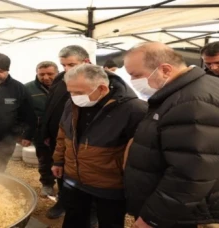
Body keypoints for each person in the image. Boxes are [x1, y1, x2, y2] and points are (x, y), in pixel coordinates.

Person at [124, 42, 219, 228]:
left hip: (181, 213)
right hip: (184, 208)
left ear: (165, 70)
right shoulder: (185, 91)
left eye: (136, 75)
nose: (133, 82)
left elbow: (190, 173)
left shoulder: (190, 102)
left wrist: (153, 217)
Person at [52, 64, 147, 228]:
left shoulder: (134, 109)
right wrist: (58, 161)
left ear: (102, 88)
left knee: (109, 221)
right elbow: (63, 133)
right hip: (74, 177)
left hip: (109, 184)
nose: (73, 96)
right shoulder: (72, 104)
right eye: (70, 92)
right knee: (74, 218)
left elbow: (141, 153)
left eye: (79, 93)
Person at [41, 45, 92, 219]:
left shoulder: (98, 80)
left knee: (82, 177)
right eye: (63, 65)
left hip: (82, 141)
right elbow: (50, 105)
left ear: (86, 61)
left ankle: (88, 211)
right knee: (60, 171)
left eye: (71, 65)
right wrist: (46, 131)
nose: (67, 70)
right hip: (59, 137)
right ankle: (63, 202)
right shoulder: (61, 79)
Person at [25, 61, 59, 196]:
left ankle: (65, 187)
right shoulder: (28, 89)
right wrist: (25, 133)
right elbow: (24, 112)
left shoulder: (65, 86)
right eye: (41, 74)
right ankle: (47, 183)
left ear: (57, 73)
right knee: (44, 159)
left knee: (64, 160)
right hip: (40, 132)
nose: (46, 77)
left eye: (50, 74)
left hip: (61, 131)